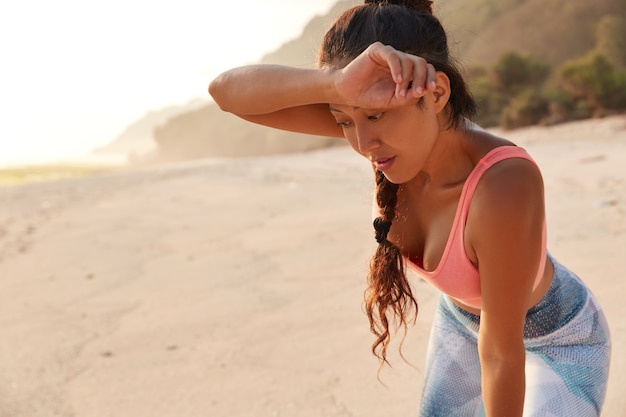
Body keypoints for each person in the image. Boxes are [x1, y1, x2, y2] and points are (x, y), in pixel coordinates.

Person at [208, 0, 611, 415]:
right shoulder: (382, 129)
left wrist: (349, 99)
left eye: (376, 116)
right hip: (464, 322)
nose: (363, 144)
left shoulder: (504, 183)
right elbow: (226, 93)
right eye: (343, 121)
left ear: (435, 92)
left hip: (559, 337)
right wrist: (337, 84)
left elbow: (501, 354)